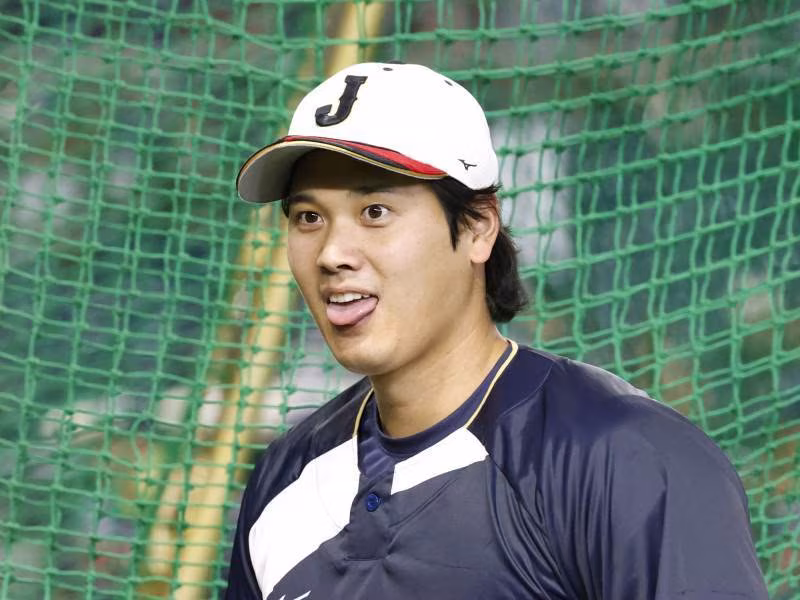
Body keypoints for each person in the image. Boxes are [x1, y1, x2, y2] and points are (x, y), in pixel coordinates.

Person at [225, 62, 768, 600]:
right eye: (308, 218)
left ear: (478, 228)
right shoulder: (282, 479)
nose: (332, 254)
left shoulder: (626, 457)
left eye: (375, 211)